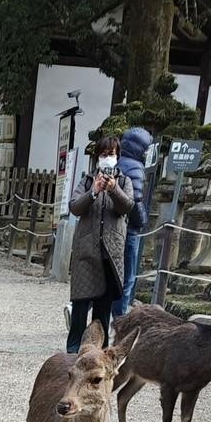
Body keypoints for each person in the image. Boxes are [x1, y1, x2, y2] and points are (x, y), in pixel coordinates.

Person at [66, 137, 134, 351]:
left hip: (110, 254)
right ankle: (73, 350)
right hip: (86, 253)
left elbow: (127, 207)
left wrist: (113, 190)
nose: (107, 158)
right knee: (79, 307)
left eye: (111, 154)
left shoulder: (124, 182)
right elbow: (75, 207)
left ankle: (98, 353)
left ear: (118, 157)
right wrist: (93, 191)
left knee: (102, 311)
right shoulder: (87, 180)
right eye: (104, 154)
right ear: (97, 157)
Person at [113, 125, 152, 317]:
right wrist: (142, 220)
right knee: (126, 277)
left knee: (109, 274)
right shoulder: (136, 166)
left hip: (112, 226)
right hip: (129, 229)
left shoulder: (117, 162)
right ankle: (120, 321)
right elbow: (135, 199)